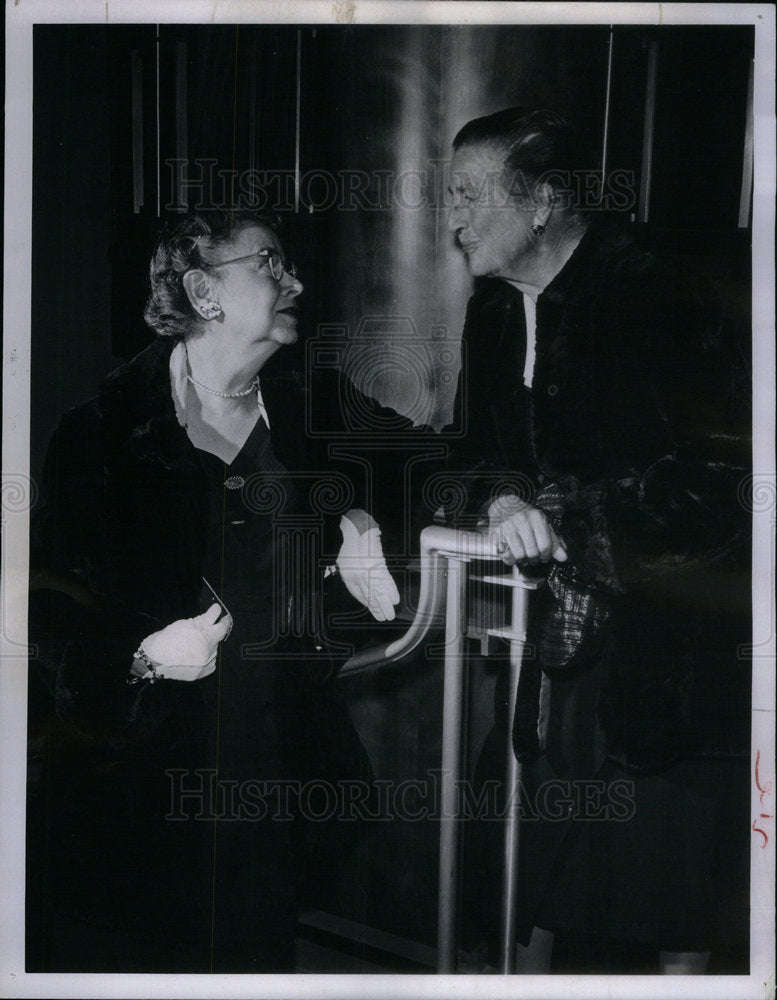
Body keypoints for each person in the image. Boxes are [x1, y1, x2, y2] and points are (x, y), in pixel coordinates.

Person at [27, 209, 400, 972]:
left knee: (256, 963)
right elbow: (46, 605)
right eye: (270, 263)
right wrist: (139, 656)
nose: (295, 279)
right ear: (204, 291)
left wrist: (358, 518)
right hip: (141, 786)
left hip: (274, 776)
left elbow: (430, 466)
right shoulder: (100, 434)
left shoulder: (309, 412)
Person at [444, 108, 750, 973]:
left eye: (467, 195)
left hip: (678, 663)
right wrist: (505, 498)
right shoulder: (494, 313)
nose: (452, 218)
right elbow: (480, 450)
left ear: (541, 202)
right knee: (555, 904)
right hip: (565, 663)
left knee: (672, 920)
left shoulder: (662, 289)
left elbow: (722, 482)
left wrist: (571, 520)